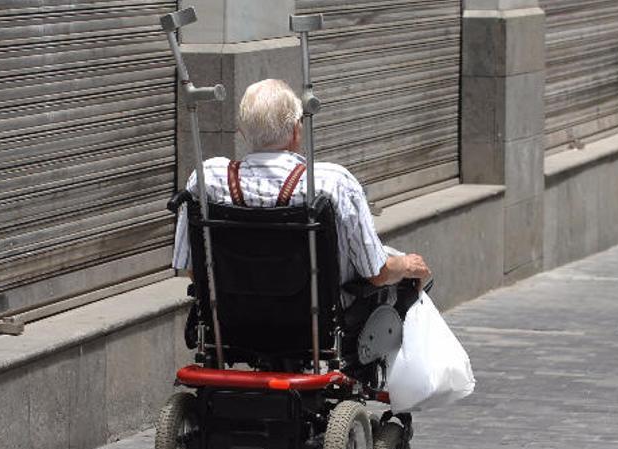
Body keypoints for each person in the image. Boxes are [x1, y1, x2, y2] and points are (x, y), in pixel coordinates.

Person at [172, 78, 430, 298]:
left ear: (242, 133)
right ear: (297, 130)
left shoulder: (208, 178)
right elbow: (377, 273)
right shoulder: (331, 182)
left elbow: (192, 268)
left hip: (233, 321)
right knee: (404, 284)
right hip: (318, 325)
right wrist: (406, 265)